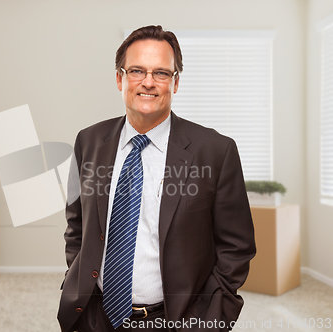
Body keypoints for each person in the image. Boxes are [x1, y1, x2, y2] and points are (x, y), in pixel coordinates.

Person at [57, 25, 256, 332]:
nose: (148, 82)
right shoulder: (89, 141)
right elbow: (77, 225)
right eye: (137, 70)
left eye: (161, 73)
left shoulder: (216, 151)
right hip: (95, 317)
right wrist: (79, 276)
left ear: (175, 83)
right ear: (120, 78)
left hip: (175, 320)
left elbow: (236, 246)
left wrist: (210, 317)